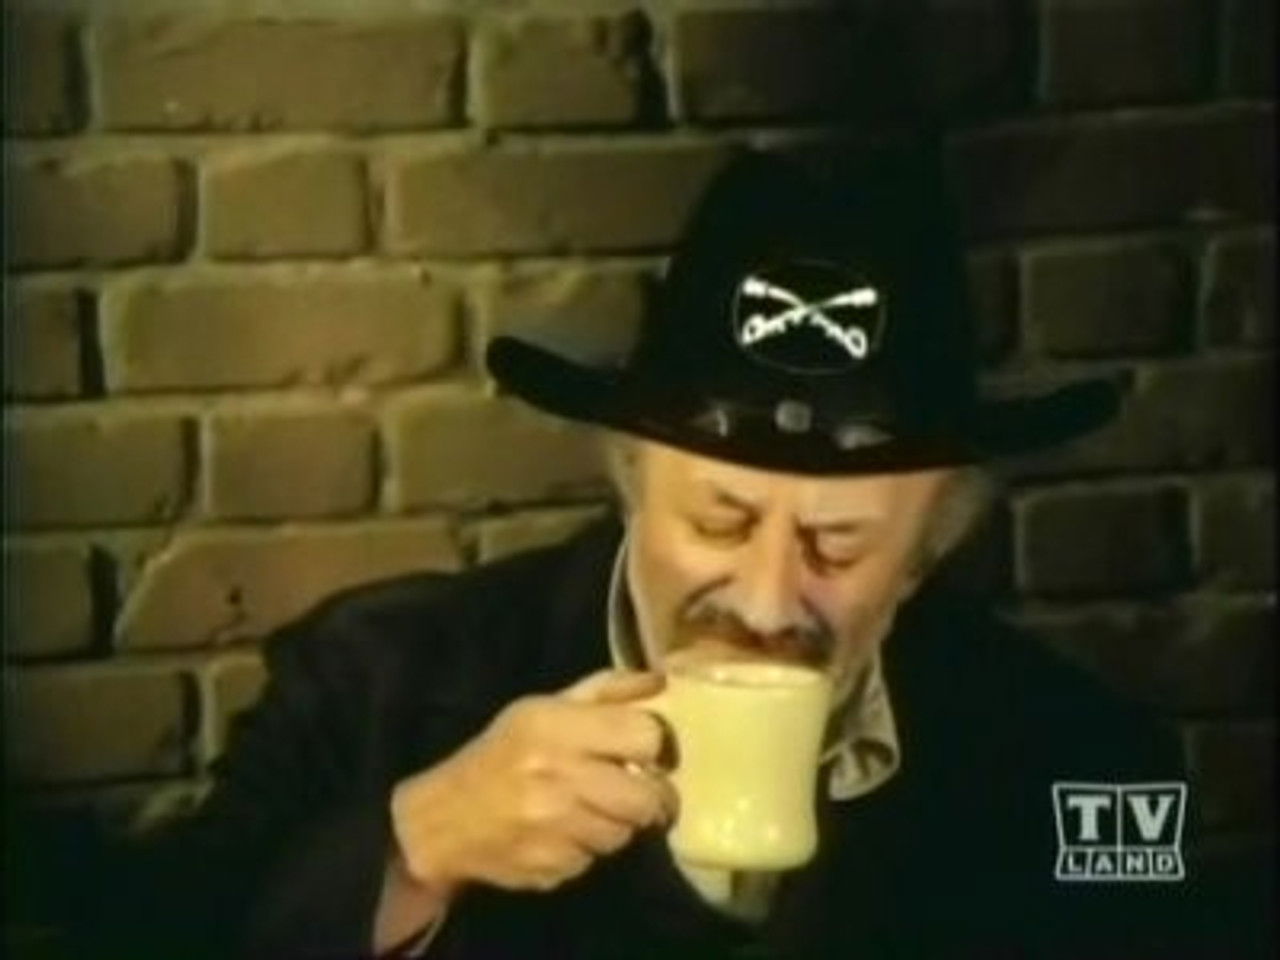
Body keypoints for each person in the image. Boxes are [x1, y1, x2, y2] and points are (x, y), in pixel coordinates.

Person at [42, 146, 1222, 959]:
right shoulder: (370, 685)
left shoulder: (1093, 766)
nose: (766, 599)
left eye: (839, 543)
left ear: (926, 550)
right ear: (628, 485)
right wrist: (411, 853)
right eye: (718, 521)